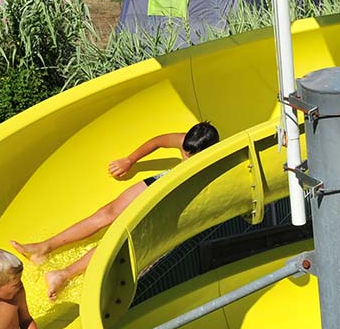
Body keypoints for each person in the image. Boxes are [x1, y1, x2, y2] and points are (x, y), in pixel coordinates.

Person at [12, 122, 221, 298]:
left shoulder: (214, 158)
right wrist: (129, 160)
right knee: (107, 213)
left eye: (191, 156)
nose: (186, 158)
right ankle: (44, 247)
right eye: (185, 153)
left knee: (121, 236)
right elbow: (158, 141)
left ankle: (64, 274)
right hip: (163, 180)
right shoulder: (188, 141)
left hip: (173, 199)